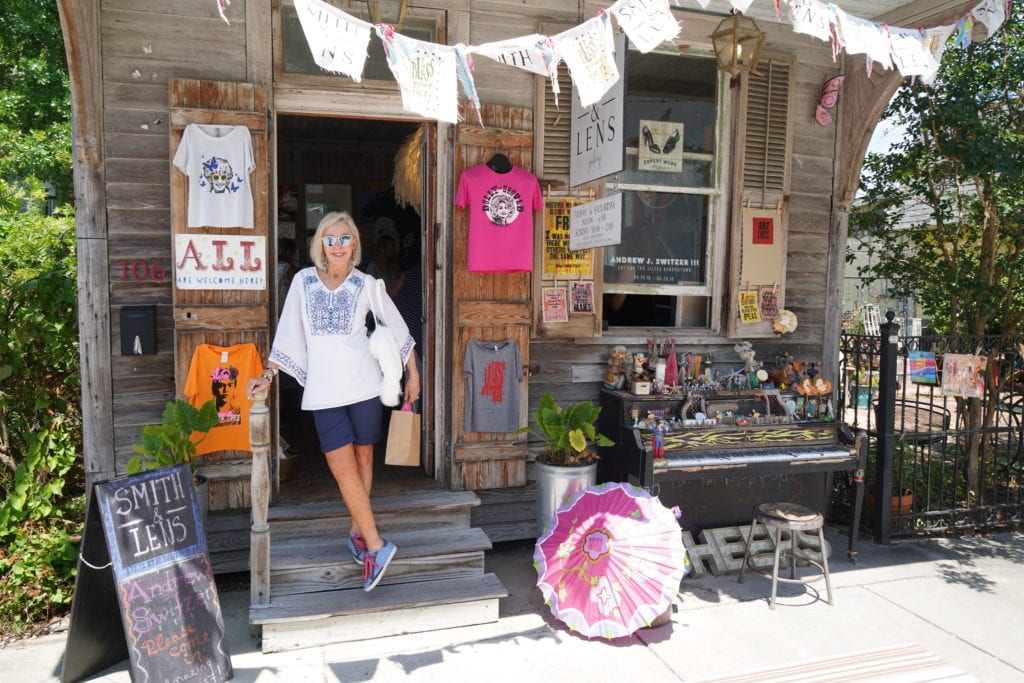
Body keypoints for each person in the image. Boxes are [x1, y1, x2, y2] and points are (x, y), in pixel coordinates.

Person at [247, 211, 420, 592]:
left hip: (364, 387)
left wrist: (414, 372)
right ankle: (377, 544)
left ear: (355, 244)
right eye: (331, 238)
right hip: (324, 391)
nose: (338, 245)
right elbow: (288, 333)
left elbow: (395, 324)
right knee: (341, 469)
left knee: (362, 460)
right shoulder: (304, 283)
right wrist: (269, 374)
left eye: (345, 238)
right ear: (320, 244)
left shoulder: (366, 284)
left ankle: (358, 532)